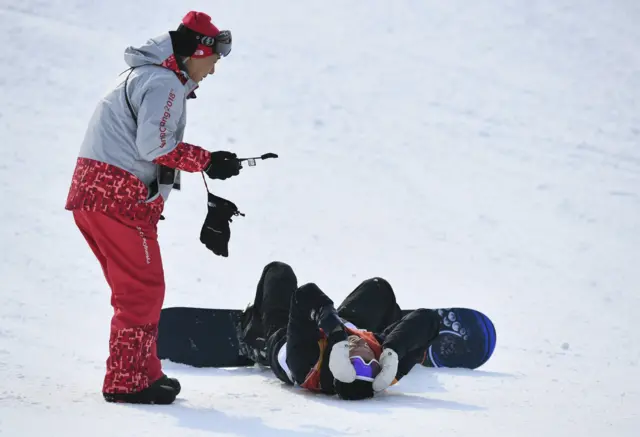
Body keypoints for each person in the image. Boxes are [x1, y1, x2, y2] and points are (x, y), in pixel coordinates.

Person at [65, 11, 243, 405]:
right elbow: (154, 147)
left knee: (137, 292)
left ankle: (143, 374)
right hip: (118, 198)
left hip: (97, 194)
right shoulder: (162, 82)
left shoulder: (148, 76)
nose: (214, 69)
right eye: (214, 58)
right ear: (198, 50)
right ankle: (126, 381)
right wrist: (208, 160)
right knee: (142, 293)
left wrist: (204, 163)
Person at [239, 262, 441, 400]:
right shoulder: (380, 363)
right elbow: (429, 319)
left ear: (338, 361)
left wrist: (336, 336)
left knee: (280, 272)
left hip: (286, 335)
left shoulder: (306, 363)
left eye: (353, 353)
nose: (360, 344)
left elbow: (305, 294)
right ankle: (390, 323)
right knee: (379, 288)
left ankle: (258, 341)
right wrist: (394, 350)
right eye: (370, 353)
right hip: (345, 325)